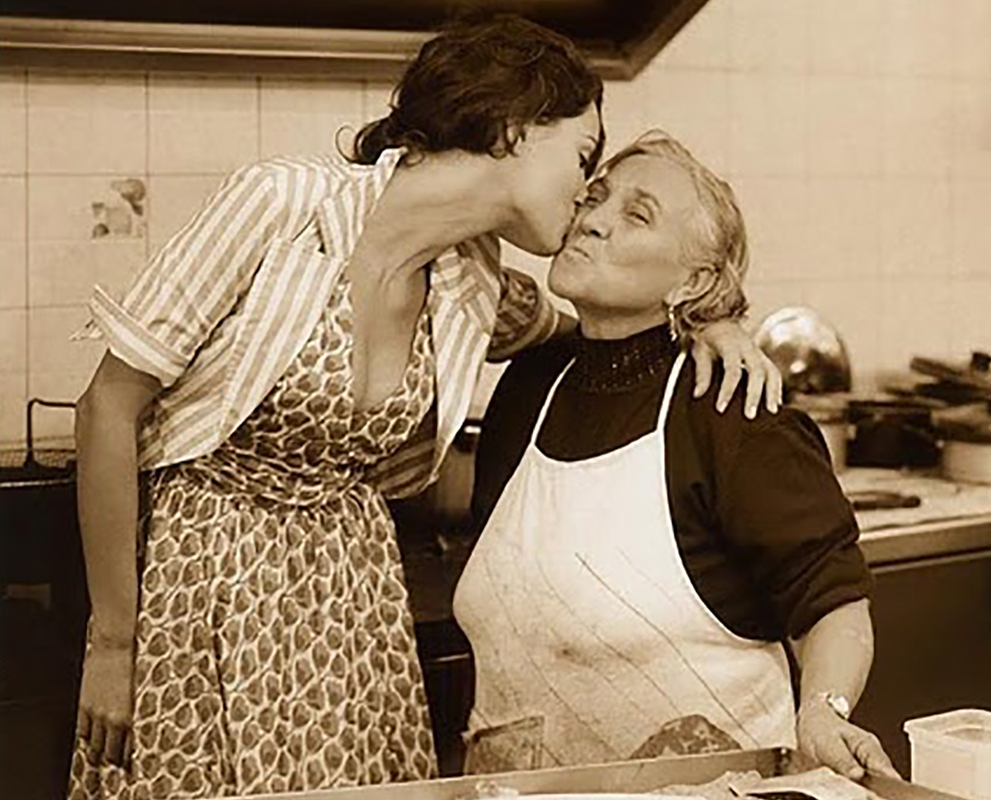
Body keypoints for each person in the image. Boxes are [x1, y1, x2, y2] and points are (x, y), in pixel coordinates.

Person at [68, 18, 780, 800]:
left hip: (355, 600)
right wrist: (115, 638)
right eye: (582, 160)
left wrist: (712, 317)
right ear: (513, 131)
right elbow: (108, 405)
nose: (584, 193)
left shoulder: (473, 277)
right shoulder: (283, 204)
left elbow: (602, 324)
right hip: (208, 583)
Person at [458, 131, 896, 779]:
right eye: (595, 199)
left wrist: (825, 710)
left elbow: (832, 602)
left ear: (693, 280)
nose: (594, 222)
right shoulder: (528, 388)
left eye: (637, 215)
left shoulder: (729, 406)